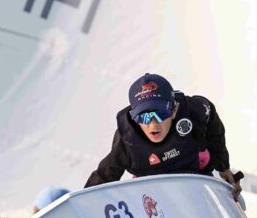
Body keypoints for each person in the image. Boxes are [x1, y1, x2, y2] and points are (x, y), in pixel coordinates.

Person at [85, 73, 241, 198]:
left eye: (161, 114)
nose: (153, 124)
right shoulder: (128, 140)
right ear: (134, 118)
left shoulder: (194, 112)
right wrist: (81, 209)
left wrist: (223, 167)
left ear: (174, 110)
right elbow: (104, 176)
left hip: (197, 182)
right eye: (144, 117)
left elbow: (212, 121)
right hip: (153, 195)